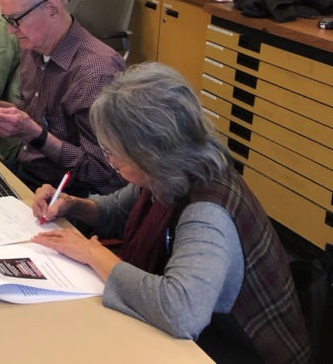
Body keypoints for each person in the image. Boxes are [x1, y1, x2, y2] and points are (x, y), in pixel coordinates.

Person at [31, 63, 310, 364]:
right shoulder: (171, 172)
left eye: (113, 153)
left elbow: (181, 311)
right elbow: (115, 210)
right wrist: (71, 204)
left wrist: (94, 255)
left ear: (148, 153)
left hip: (240, 352)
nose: (110, 161)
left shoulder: (207, 213)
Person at [0, 0, 125, 196]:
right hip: (27, 171)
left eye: (15, 20)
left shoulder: (96, 73)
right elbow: (39, 117)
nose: (11, 30)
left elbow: (107, 174)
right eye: (7, 20)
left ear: (52, 8)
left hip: (67, 194)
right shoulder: (33, 46)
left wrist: (35, 136)